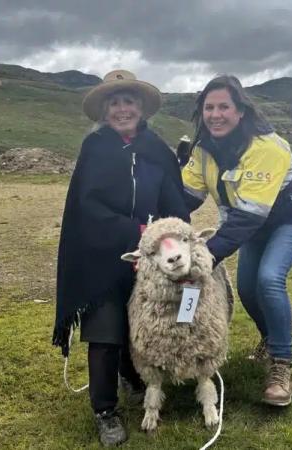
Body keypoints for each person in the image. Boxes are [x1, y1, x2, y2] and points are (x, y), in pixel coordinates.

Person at [52, 70, 189, 446]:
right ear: (104, 110)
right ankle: (104, 410)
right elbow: (87, 207)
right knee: (105, 331)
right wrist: (136, 231)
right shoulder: (95, 149)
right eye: (114, 103)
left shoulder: (158, 151)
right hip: (101, 255)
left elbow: (174, 203)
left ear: (141, 108)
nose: (122, 109)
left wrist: (171, 236)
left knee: (142, 324)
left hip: (150, 259)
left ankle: (133, 377)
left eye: (129, 101)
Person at [181, 75, 292, 407]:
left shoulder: (265, 147)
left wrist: (202, 258)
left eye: (224, 107)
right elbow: (185, 198)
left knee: (269, 279)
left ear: (240, 111)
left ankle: (282, 364)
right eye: (209, 108)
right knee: (246, 288)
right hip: (251, 220)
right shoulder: (203, 150)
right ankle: (271, 339)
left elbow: (246, 219)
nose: (215, 115)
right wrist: (156, 225)